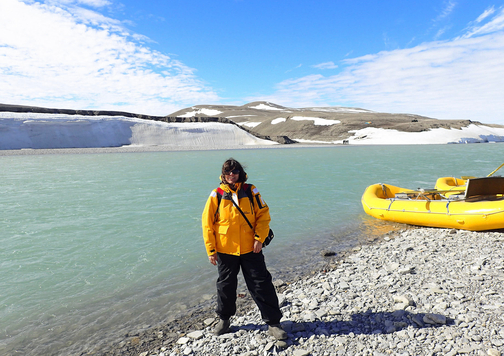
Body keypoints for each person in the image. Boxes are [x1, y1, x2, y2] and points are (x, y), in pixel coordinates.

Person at [201, 158, 287, 340]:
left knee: (261, 284)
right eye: (228, 172)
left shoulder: (251, 191)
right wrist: (211, 250)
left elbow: (264, 216)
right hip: (225, 250)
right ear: (223, 175)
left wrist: (259, 238)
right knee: (225, 287)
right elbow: (207, 224)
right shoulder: (216, 195)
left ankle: (273, 323)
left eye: (234, 171)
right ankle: (224, 320)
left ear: (240, 172)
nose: (231, 175)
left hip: (251, 248)